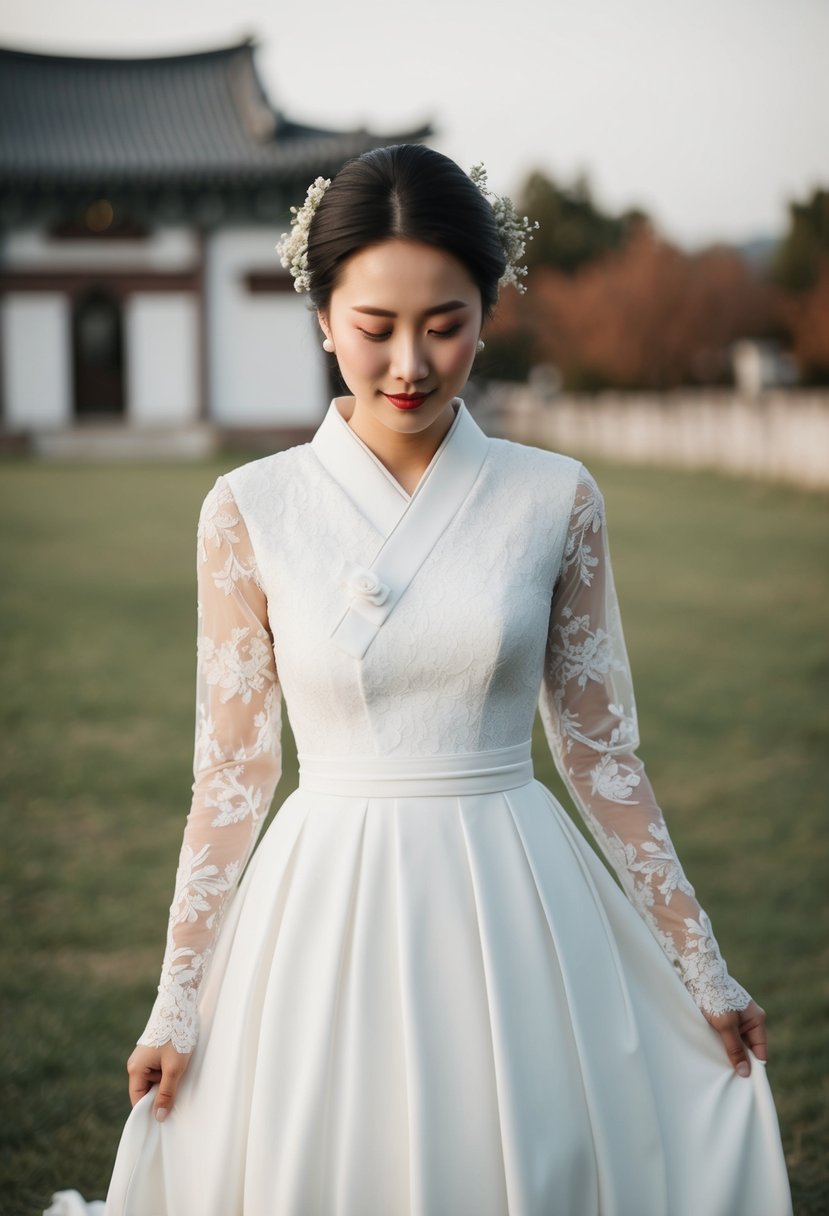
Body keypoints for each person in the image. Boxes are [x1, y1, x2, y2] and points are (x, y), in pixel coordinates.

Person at [51, 143, 791, 1215]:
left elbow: (598, 751)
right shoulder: (248, 508)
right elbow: (230, 776)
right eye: (374, 327)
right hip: (322, 897)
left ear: (487, 313)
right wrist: (176, 1001)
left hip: (513, 892)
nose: (409, 363)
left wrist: (701, 966)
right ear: (320, 317)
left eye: (444, 325)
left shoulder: (555, 497)